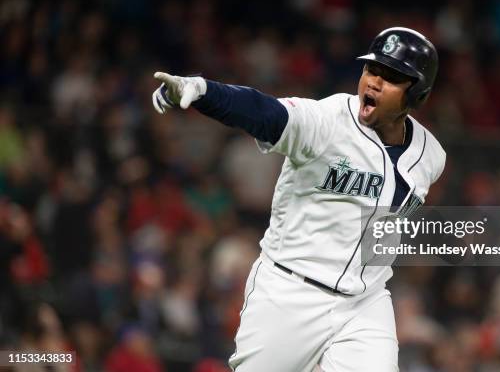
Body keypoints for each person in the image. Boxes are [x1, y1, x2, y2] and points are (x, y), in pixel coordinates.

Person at [152, 27, 446, 372]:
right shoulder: (326, 121)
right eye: (372, 69)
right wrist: (203, 91)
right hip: (289, 292)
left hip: (366, 302)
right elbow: (265, 112)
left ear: (418, 94)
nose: (374, 82)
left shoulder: (431, 157)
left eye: (392, 77)